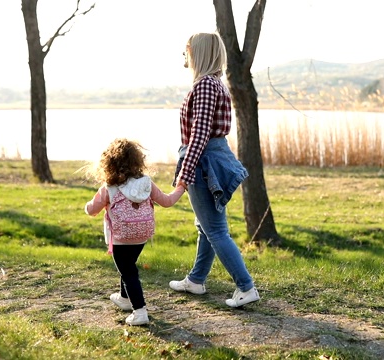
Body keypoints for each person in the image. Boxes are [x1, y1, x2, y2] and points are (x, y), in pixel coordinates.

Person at [168, 32, 260, 307]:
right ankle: (196, 280)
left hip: (204, 160)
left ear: (198, 53)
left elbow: (200, 135)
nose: (184, 56)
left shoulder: (206, 86)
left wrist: (185, 172)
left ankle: (246, 287)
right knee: (206, 225)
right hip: (211, 156)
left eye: (187, 51)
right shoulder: (214, 84)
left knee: (216, 229)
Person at [85, 138, 186, 325]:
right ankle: (124, 298)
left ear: (109, 163)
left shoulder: (109, 188)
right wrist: (181, 187)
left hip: (122, 237)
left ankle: (140, 312)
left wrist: (87, 206)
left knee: (128, 272)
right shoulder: (146, 183)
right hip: (142, 234)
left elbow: (92, 210)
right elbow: (167, 201)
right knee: (128, 265)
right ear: (137, 161)